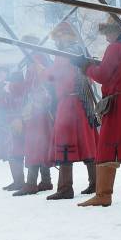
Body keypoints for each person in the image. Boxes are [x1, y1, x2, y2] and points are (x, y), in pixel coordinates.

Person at [78, 16, 121, 207]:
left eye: (108, 32)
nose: (106, 36)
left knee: (106, 146)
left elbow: (103, 75)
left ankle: (103, 194)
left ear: (115, 31)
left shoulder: (115, 48)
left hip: (119, 103)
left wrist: (88, 68)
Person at [44, 22, 99, 200]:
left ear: (63, 37)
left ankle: (65, 188)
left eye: (58, 38)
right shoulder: (78, 50)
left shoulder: (65, 54)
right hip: (81, 102)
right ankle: (95, 182)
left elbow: (54, 76)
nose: (56, 42)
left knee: (65, 141)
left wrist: (42, 72)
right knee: (86, 143)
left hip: (70, 102)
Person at [12, 38, 54, 196]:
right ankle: (46, 180)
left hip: (37, 109)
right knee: (39, 145)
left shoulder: (37, 60)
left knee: (34, 145)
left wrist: (15, 86)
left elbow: (33, 85)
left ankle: (31, 183)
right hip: (37, 109)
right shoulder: (38, 59)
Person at [0, 69, 27, 191]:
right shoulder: (4, 87)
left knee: (14, 152)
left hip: (12, 122)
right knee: (10, 153)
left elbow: (11, 103)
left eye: (1, 72)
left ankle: (19, 181)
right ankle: (17, 180)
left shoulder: (11, 86)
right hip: (5, 122)